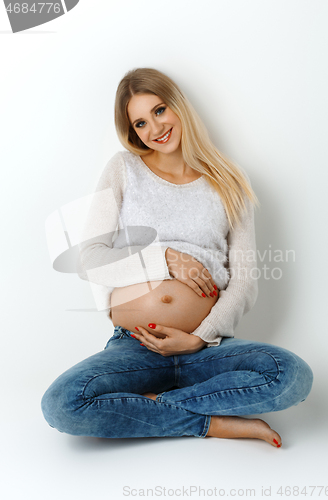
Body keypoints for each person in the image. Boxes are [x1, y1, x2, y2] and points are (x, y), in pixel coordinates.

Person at [41, 68, 313, 447]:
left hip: (206, 348)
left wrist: (199, 338)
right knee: (61, 404)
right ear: (132, 131)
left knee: (292, 375)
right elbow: (90, 258)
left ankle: (155, 408)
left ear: (178, 106)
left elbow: (245, 281)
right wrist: (164, 258)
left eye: (159, 110)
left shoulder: (229, 181)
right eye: (139, 122)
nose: (154, 128)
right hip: (137, 345)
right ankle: (212, 423)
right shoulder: (124, 169)